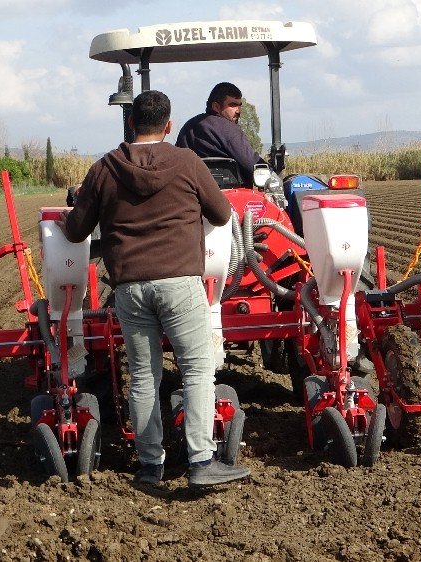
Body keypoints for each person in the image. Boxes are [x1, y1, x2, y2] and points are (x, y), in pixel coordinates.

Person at [59, 90, 250, 488]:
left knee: (144, 377)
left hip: (130, 287)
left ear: (130, 123)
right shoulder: (187, 162)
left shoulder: (105, 169)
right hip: (181, 282)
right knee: (196, 370)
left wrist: (67, 219)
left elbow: (77, 231)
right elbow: (221, 212)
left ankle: (150, 467)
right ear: (168, 125)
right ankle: (200, 461)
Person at [176, 82, 287, 207]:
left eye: (239, 105)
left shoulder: (188, 127)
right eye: (233, 105)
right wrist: (272, 173)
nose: (238, 111)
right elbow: (253, 164)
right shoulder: (228, 129)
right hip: (232, 201)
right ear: (216, 107)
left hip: (191, 199)